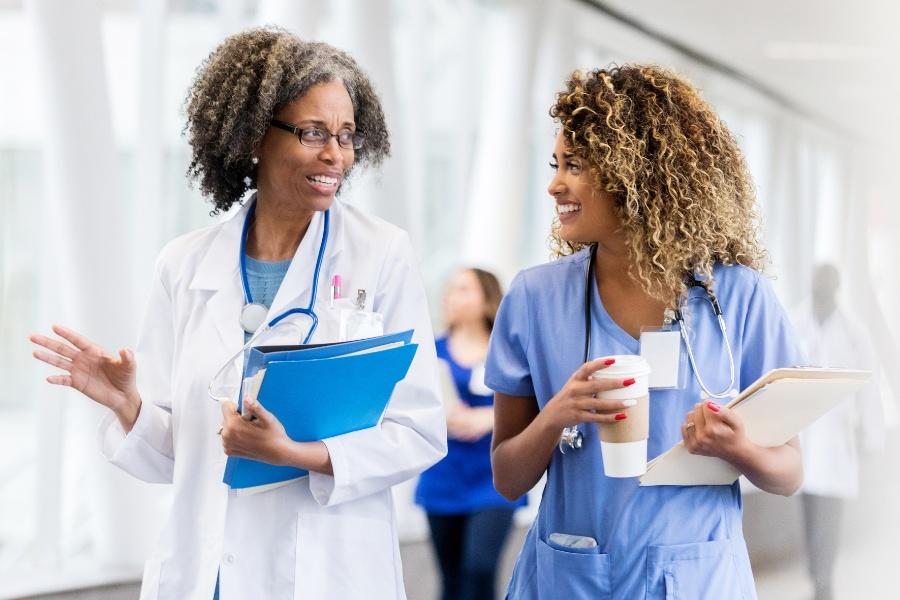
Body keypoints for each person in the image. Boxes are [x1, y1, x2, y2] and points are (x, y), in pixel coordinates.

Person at [29, 28, 446, 600]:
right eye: (313, 133)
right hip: (207, 573)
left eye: (347, 136)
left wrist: (295, 455)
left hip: (325, 571)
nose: (335, 155)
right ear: (254, 136)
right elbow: (182, 456)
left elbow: (418, 430)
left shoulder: (381, 254)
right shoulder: (184, 264)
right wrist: (129, 404)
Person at [485, 65, 807, 599]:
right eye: (556, 164)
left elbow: (789, 471)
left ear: (636, 175)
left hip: (698, 580)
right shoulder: (535, 299)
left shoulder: (740, 298)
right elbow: (506, 477)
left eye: (576, 166)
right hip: (572, 577)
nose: (554, 184)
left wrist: (740, 448)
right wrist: (557, 413)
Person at [415, 268, 526, 600]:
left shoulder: (508, 350)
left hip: (494, 477)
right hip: (443, 475)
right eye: (450, 290)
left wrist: (488, 418)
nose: (450, 296)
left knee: (479, 570)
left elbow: (533, 402)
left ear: (487, 298)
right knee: (451, 579)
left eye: (463, 289)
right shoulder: (429, 351)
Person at [793, 263, 884, 600]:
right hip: (805, 437)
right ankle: (816, 571)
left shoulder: (854, 332)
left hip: (835, 440)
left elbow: (869, 390)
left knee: (830, 514)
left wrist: (872, 435)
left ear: (836, 287)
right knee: (810, 512)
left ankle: (823, 578)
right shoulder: (796, 321)